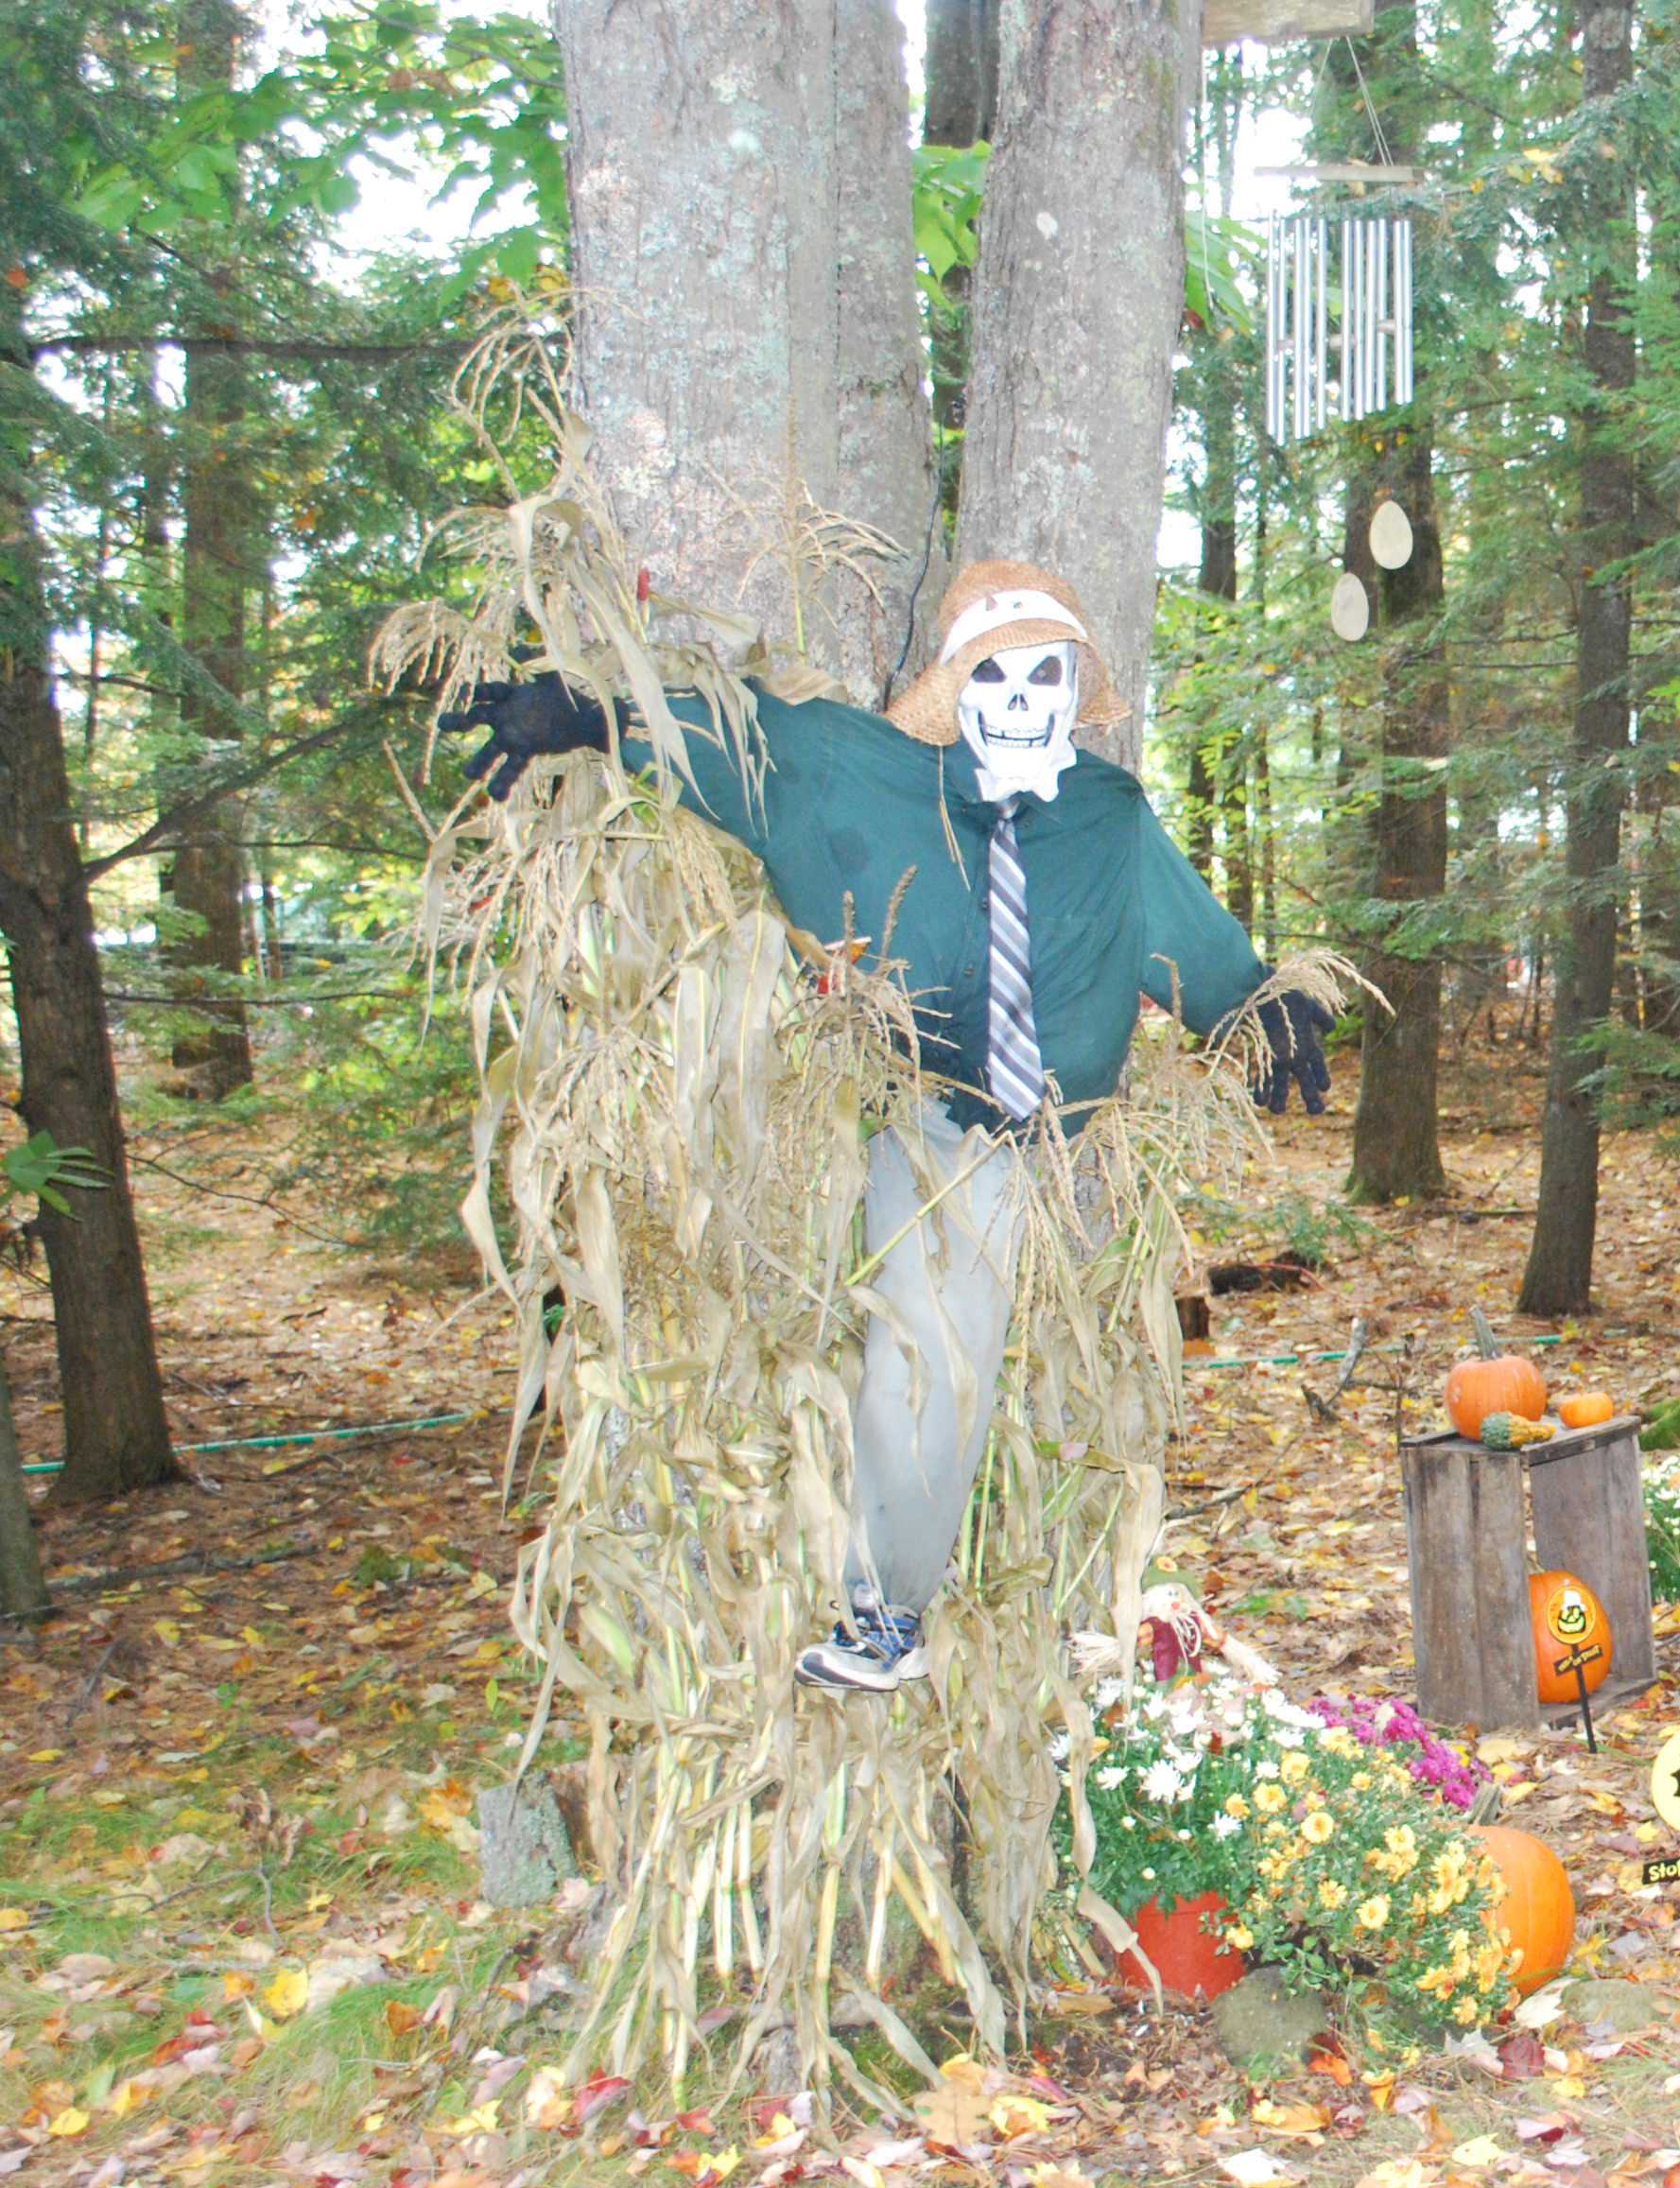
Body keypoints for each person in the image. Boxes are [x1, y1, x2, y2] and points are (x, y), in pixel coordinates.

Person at [440, 560, 1269, 1694]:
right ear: (958, 689)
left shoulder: (1104, 815)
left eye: (1049, 675)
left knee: (1027, 1382)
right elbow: (748, 746)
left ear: (1077, 692)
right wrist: (592, 717)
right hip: (939, 1126)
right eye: (999, 673)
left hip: (1065, 1147)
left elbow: (1190, 933)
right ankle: (885, 1611)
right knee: (931, 1360)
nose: (1025, 699)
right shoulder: (863, 775)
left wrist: (1262, 1009)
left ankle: (993, 1615)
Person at [1253, 987, 1333, 1115]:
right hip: (1303, 1048)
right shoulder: (1303, 1000)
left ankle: (1274, 1103)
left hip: (1276, 1052)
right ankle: (1314, 1103)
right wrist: (1328, 1027)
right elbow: (1327, 1021)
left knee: (1279, 1080)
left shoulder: (1262, 1003)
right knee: (1306, 1078)